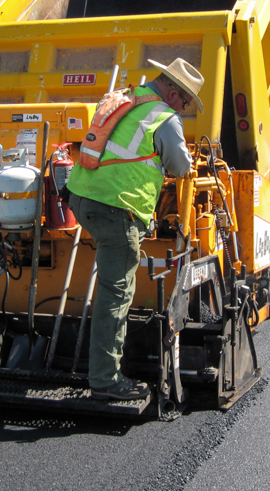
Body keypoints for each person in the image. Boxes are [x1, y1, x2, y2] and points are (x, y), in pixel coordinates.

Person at [67, 58, 203, 401]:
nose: (184, 108)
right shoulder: (164, 117)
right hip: (117, 209)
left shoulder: (124, 96)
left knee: (112, 281)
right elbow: (180, 165)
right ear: (173, 92)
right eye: (185, 102)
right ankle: (105, 381)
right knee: (116, 292)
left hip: (82, 196)